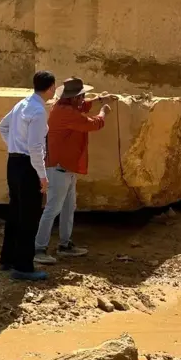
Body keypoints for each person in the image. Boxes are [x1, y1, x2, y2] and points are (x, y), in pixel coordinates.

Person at [34, 77, 115, 265]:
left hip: (65, 168)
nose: (82, 99)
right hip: (60, 168)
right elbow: (93, 124)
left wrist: (98, 100)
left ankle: (65, 245)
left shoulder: (63, 107)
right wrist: (103, 112)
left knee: (68, 207)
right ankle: (39, 248)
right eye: (81, 96)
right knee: (53, 209)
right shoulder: (66, 113)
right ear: (73, 98)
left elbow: (82, 108)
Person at [0, 71, 56, 281]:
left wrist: (14, 146)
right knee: (29, 216)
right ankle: (23, 266)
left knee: (15, 211)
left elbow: (2, 126)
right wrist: (42, 176)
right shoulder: (39, 111)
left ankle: (7, 259)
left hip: (14, 162)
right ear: (50, 88)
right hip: (27, 165)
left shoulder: (22, 104)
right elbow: (35, 146)